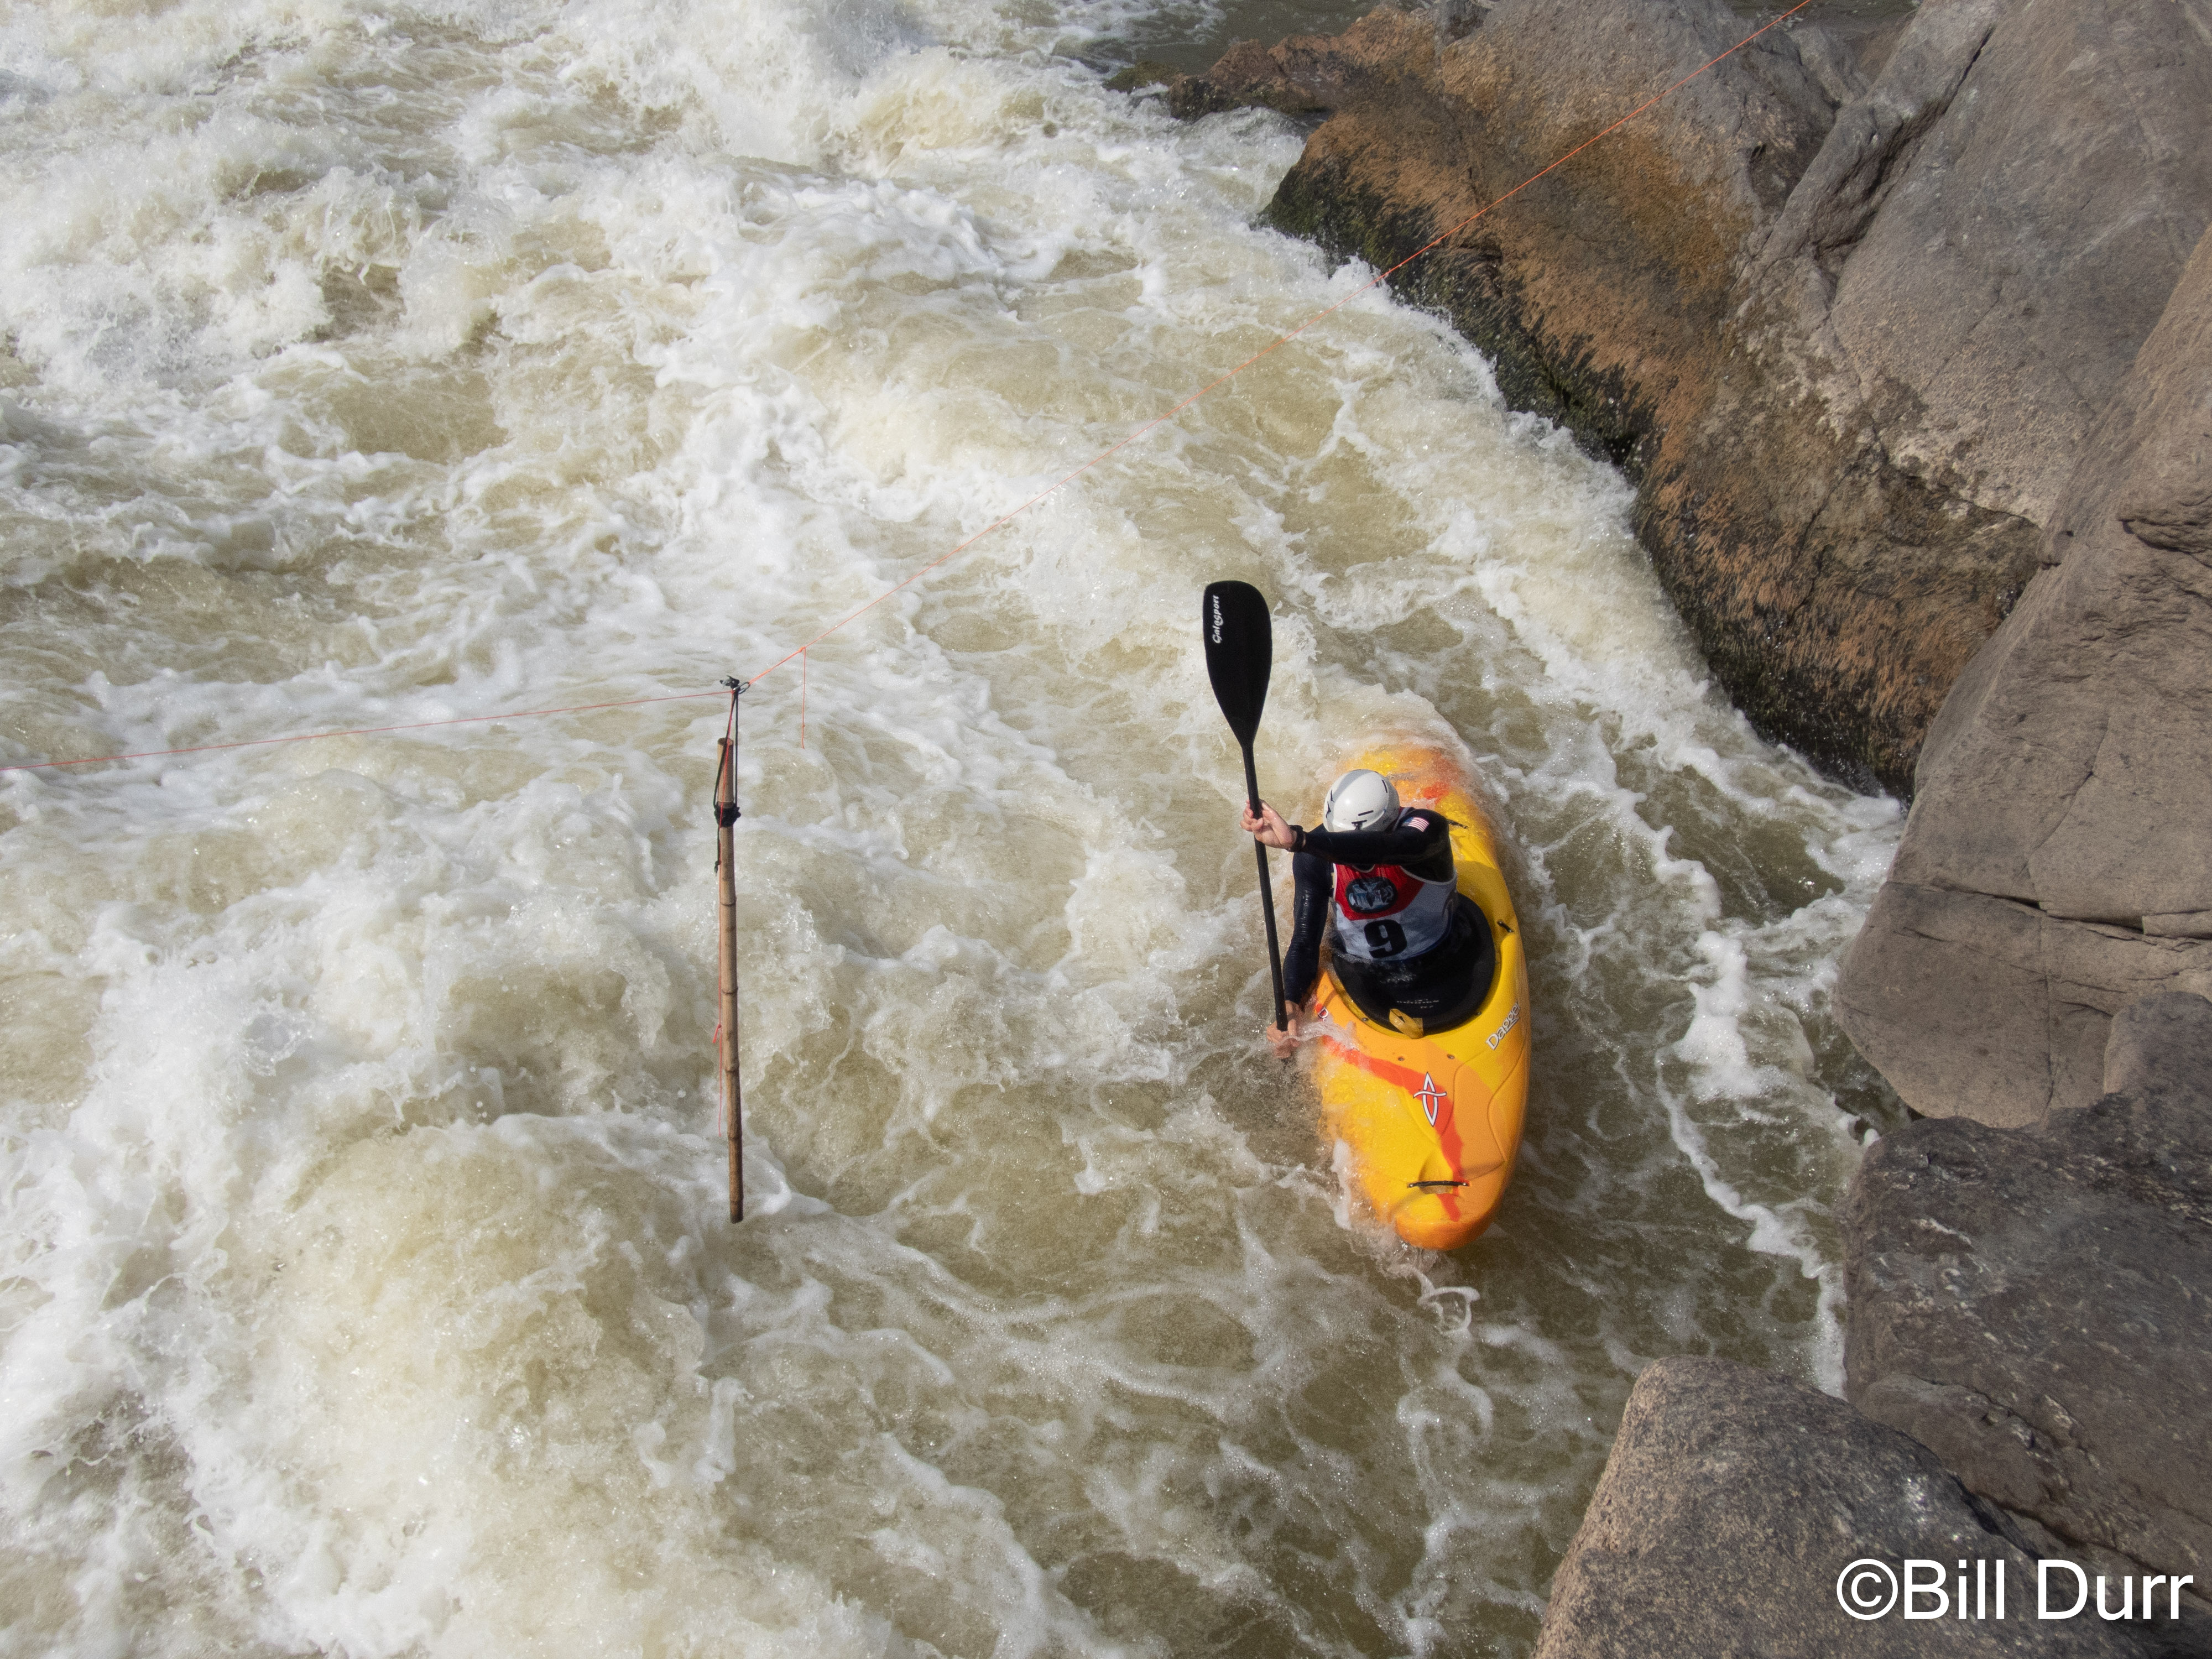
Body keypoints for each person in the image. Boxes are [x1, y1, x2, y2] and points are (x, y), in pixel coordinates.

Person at [1241, 768, 1494, 1055]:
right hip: (1365, 972)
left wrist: (1300, 842)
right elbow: (1304, 942)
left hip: (1448, 955)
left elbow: (1388, 847)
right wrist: (1292, 1004)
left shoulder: (1426, 829)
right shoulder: (1314, 858)